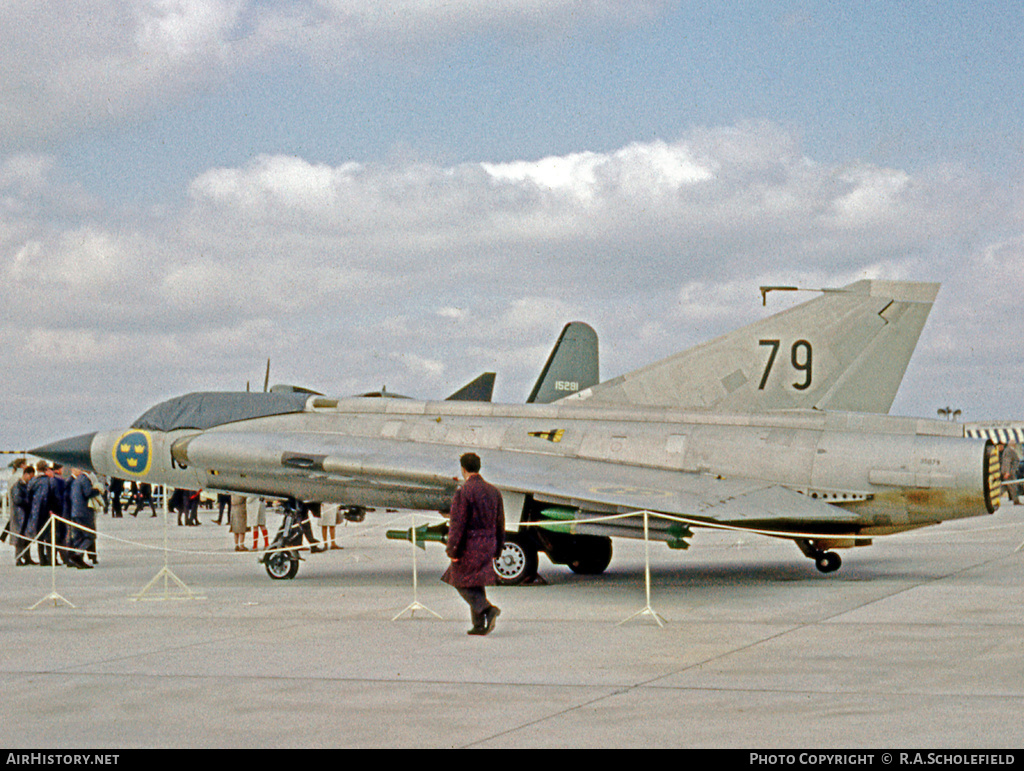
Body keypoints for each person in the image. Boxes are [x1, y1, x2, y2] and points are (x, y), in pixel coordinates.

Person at [442, 452, 505, 636]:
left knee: (458, 579)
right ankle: (478, 625)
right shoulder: (494, 491)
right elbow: (500, 521)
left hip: (470, 544)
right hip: (488, 542)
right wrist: (498, 547)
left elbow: (458, 524)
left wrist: (452, 549)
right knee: (476, 581)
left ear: (463, 469)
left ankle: (487, 609)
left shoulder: (464, 492)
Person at [66, 468, 99, 568]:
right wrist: (97, 490)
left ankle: (77, 558)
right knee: (90, 535)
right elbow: (88, 493)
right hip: (84, 512)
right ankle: (77, 555)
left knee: (79, 536)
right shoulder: (84, 479)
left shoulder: (76, 480)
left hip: (75, 512)